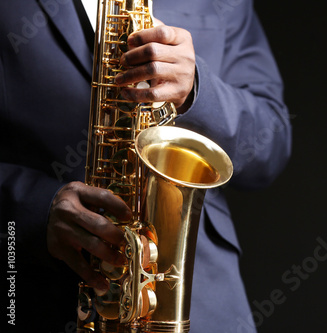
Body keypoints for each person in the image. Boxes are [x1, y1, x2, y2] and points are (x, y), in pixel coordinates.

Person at [0, 0, 291, 332]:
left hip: (204, 304)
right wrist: (35, 211)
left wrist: (197, 88)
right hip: (34, 297)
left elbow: (273, 144)